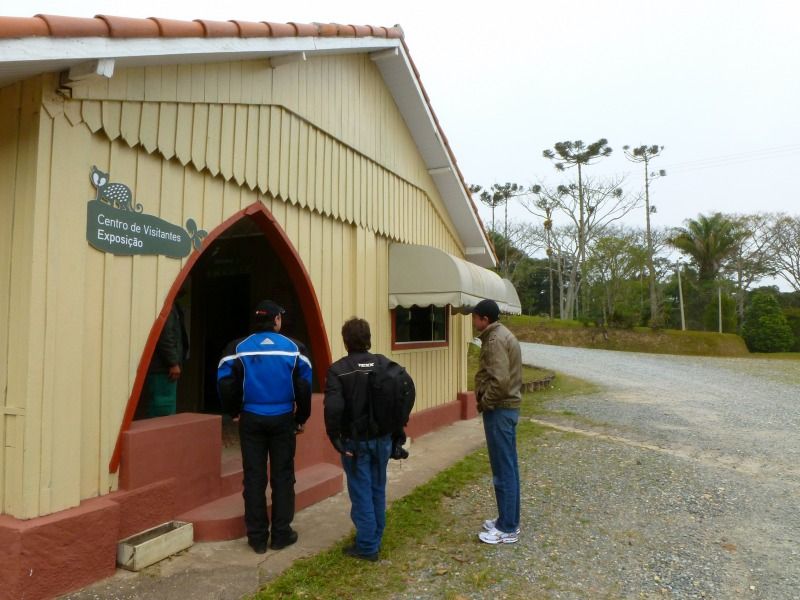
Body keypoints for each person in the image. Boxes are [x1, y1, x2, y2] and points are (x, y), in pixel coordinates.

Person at [217, 299, 312, 554]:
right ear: (277, 320)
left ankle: (257, 538)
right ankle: (281, 534)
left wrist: (234, 411)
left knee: (254, 478)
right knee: (283, 477)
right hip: (283, 420)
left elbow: (225, 382)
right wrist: (301, 418)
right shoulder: (295, 348)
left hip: (251, 419)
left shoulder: (237, 348)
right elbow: (304, 386)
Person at [324, 317, 408, 562]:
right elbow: (403, 396)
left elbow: (333, 409)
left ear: (345, 340)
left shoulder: (338, 370)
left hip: (355, 443)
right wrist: (397, 433)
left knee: (361, 493)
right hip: (381, 440)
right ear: (368, 338)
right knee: (377, 489)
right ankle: (373, 537)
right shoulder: (385, 365)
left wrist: (334, 437)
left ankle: (368, 547)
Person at [472, 298, 522, 545]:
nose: (473, 322)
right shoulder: (501, 335)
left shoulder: (494, 341)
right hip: (506, 410)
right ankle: (507, 519)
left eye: (475, 318)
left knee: (503, 470)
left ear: (485, 319)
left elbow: (500, 381)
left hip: (500, 411)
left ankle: (507, 528)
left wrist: (485, 403)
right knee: (508, 467)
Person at [143, 300, 189, 417]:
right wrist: (173, 363)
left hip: (161, 367)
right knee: (163, 409)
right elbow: (165, 336)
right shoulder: (167, 307)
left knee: (161, 406)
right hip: (162, 368)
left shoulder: (172, 306)